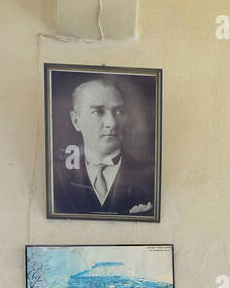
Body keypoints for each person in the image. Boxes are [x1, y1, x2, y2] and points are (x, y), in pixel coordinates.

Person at [51, 77, 155, 216]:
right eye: (98, 112)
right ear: (76, 120)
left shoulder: (149, 173)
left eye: (119, 111)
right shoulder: (57, 175)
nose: (111, 123)